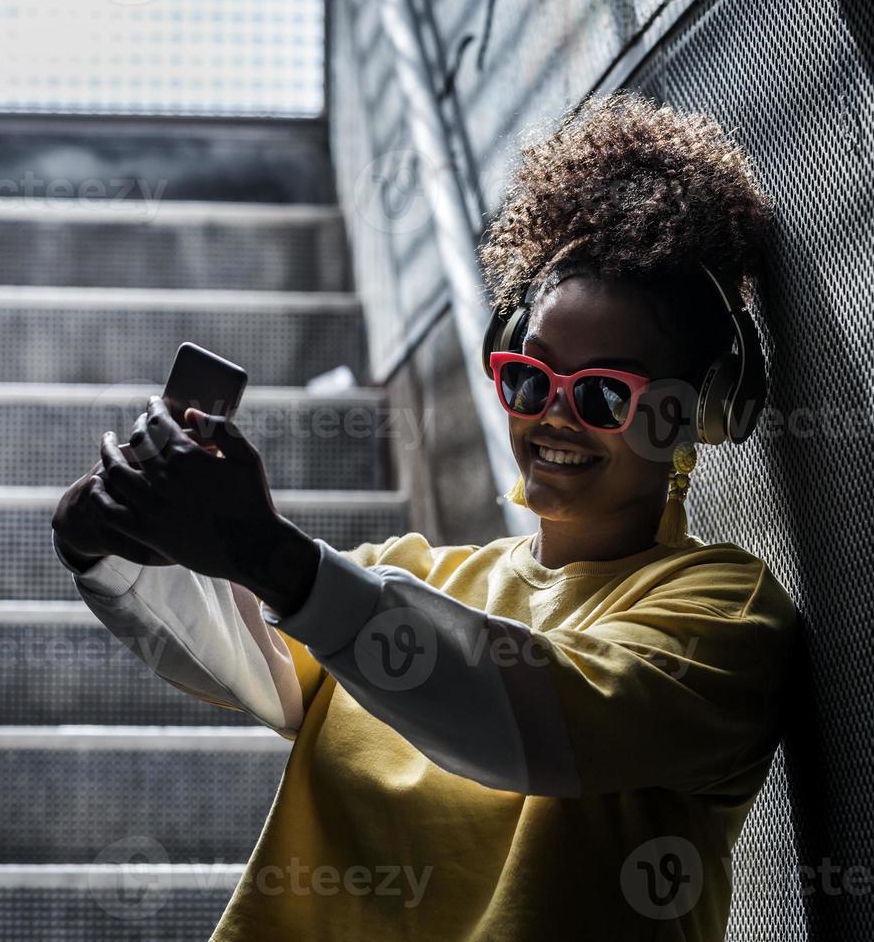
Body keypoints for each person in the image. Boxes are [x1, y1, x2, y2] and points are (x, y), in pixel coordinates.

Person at [51, 91, 798, 941]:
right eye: (528, 377)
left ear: (693, 417)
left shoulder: (727, 616)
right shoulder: (421, 573)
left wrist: (276, 560)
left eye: (600, 394)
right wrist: (108, 548)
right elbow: (238, 657)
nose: (551, 414)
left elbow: (528, 723)